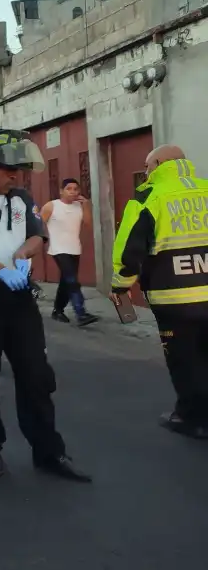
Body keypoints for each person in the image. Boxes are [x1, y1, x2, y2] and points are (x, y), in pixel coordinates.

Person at [0, 129, 91, 481]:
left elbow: (37, 235)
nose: (16, 176)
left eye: (19, 170)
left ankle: (49, 452)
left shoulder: (23, 198)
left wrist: (23, 257)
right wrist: (0, 271)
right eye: (9, 169)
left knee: (36, 374)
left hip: (19, 296)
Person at [111, 144, 208, 440]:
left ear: (159, 164)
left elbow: (129, 251)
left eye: (148, 166)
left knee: (184, 360)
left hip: (174, 300)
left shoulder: (148, 197)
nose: (147, 172)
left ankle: (193, 419)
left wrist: (120, 285)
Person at [41, 178, 98, 326]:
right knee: (72, 281)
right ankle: (81, 313)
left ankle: (57, 311)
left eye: (75, 189)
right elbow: (38, 224)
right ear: (61, 191)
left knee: (66, 282)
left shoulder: (79, 207)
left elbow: (87, 224)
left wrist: (85, 205)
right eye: (69, 189)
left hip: (74, 248)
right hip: (58, 249)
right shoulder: (51, 206)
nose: (73, 192)